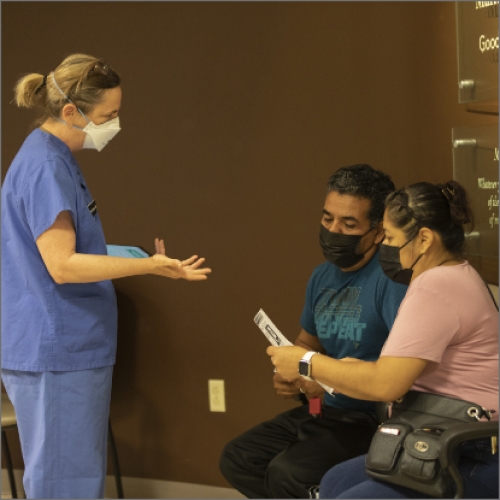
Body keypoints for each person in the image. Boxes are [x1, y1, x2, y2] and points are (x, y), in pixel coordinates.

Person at [1, 54, 211, 499]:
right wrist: (148, 266)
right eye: (108, 116)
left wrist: (126, 254)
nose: (115, 124)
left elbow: (57, 250)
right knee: (65, 484)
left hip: (64, 346)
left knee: (72, 475)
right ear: (72, 112)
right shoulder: (44, 167)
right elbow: (62, 265)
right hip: (56, 350)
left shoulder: (53, 157)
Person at [267, 180, 499, 499]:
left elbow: (385, 385)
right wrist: (337, 367)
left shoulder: (436, 288)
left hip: (468, 450)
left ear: (425, 239)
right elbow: (394, 369)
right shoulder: (453, 275)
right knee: (335, 481)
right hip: (444, 435)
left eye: (390, 237)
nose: (384, 246)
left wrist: (305, 363)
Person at [219, 164, 408, 498]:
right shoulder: (322, 276)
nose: (333, 230)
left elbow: (400, 373)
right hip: (324, 409)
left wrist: (320, 372)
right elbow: (306, 343)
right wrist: (290, 374)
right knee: (239, 458)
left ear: (378, 232)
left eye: (348, 224)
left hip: (369, 418)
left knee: (287, 474)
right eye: (327, 219)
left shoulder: (391, 281)